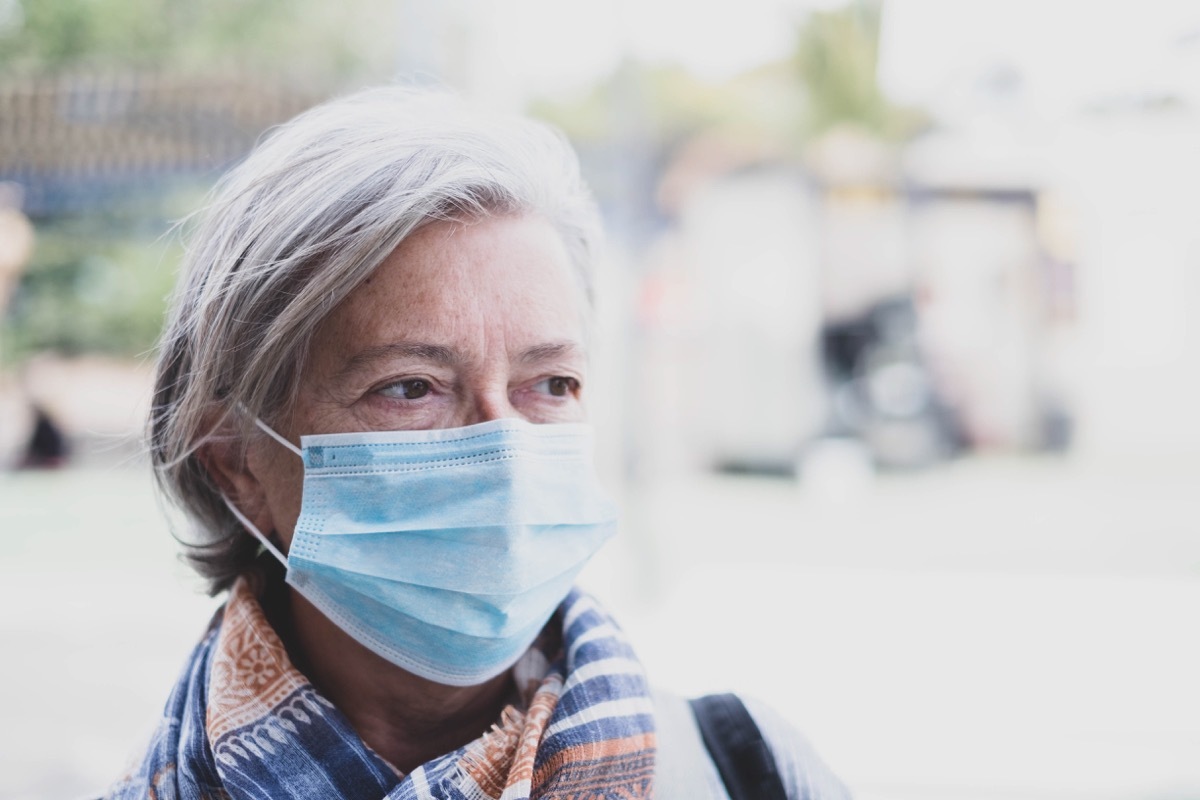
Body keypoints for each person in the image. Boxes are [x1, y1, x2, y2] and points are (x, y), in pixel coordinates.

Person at [105, 85, 851, 799]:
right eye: (410, 387)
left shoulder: (748, 772)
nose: (508, 453)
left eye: (551, 383)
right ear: (236, 462)